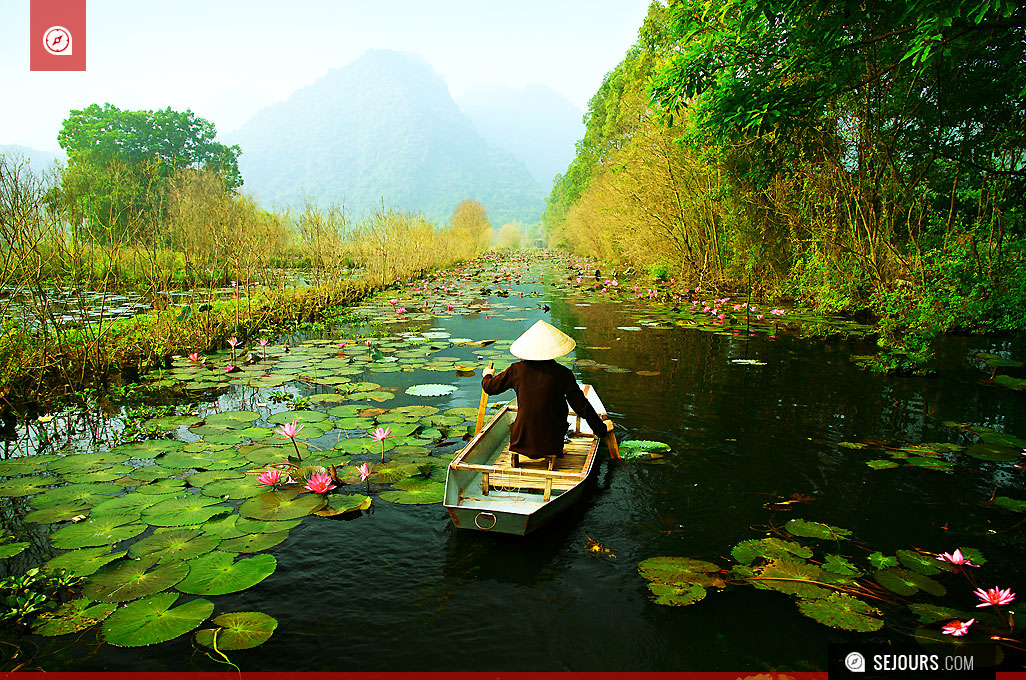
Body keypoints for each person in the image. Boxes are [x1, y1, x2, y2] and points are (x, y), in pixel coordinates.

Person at [481, 320, 612, 462]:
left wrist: (487, 375)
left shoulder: (516, 370)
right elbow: (581, 407)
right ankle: (558, 447)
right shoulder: (563, 374)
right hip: (552, 442)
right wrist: (600, 430)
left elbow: (490, 387)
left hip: (521, 440)